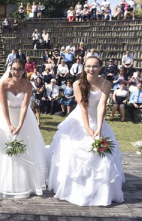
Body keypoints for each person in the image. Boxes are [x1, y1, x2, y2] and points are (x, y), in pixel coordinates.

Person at [48, 56, 125, 206]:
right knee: (73, 153)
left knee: (103, 154)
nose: (91, 69)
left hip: (98, 119)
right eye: (88, 66)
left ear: (100, 67)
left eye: (95, 66)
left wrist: (99, 128)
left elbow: (101, 105)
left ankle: (101, 192)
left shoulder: (106, 83)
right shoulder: (78, 84)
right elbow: (83, 106)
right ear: (84, 67)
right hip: (79, 119)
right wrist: (88, 128)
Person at [0, 58, 47, 198]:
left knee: (26, 147)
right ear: (10, 69)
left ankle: (25, 183)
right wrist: (8, 124)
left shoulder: (28, 85)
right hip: (5, 116)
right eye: (14, 69)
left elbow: (25, 106)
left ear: (24, 71)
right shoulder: (4, 84)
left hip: (22, 116)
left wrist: (20, 125)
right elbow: (4, 106)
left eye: (19, 69)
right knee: (2, 149)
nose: (16, 72)